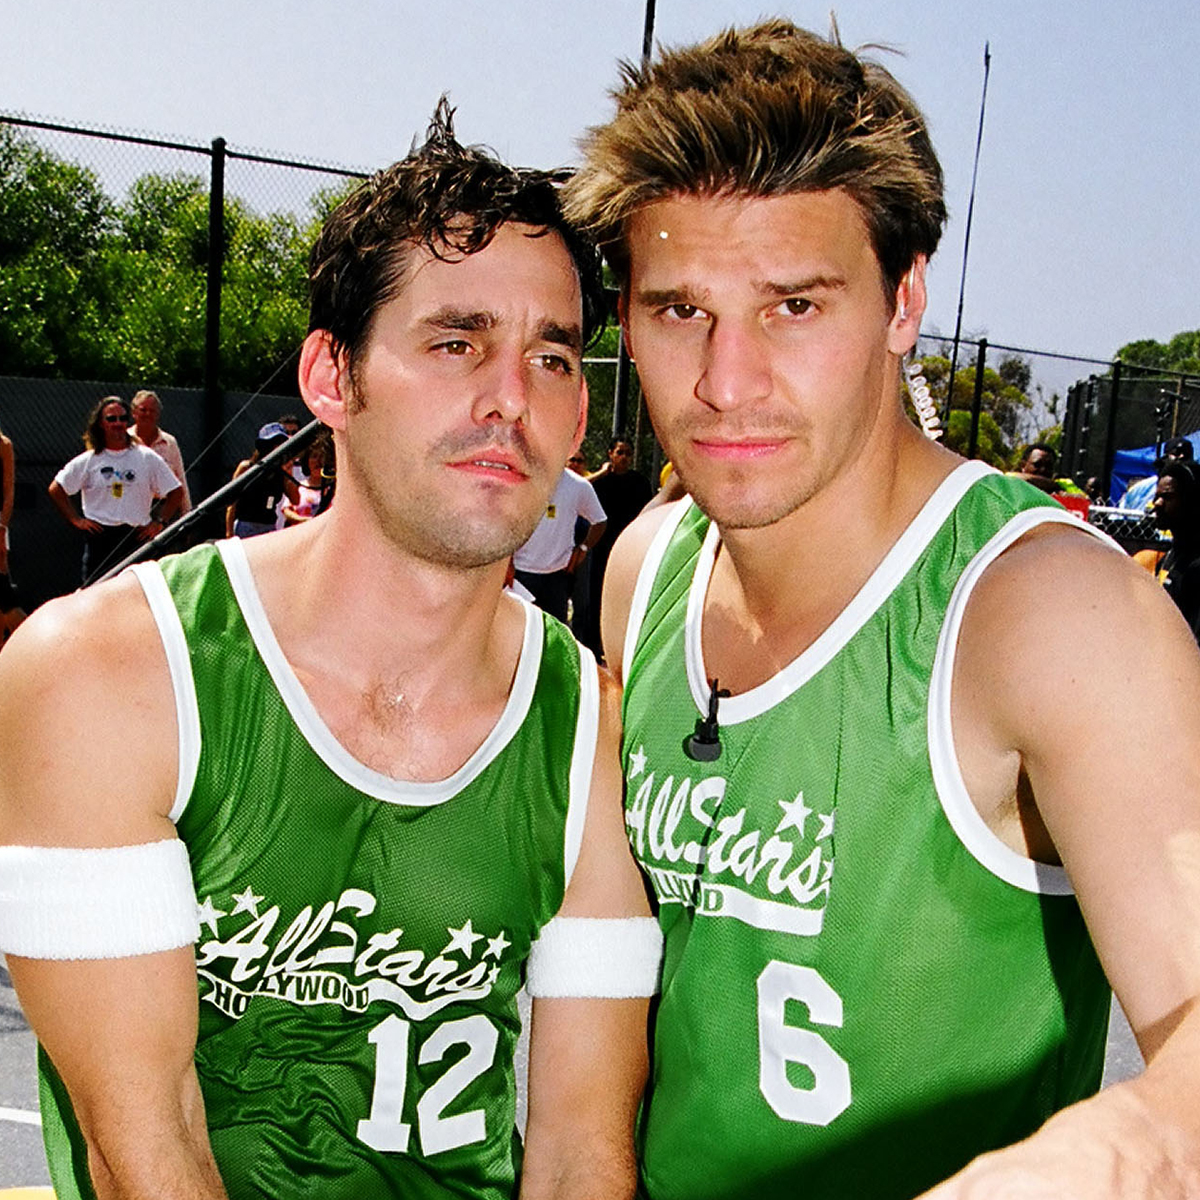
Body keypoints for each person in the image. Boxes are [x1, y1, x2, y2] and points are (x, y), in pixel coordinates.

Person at [565, 19, 1200, 1199]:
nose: (726, 382)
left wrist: (1113, 1152)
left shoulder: (1049, 612)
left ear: (903, 301)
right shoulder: (643, 570)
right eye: (681, 310)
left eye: (794, 307)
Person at [0, 103, 656, 1200]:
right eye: (456, 342)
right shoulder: (102, 674)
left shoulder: (592, 726)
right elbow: (142, 1154)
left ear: (581, 407)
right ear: (329, 377)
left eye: (551, 356)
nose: (511, 397)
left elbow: (581, 1152)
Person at [48, 395, 184, 584]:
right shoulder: (90, 460)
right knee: (95, 593)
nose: (118, 423)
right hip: (100, 540)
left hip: (136, 537)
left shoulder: (146, 457)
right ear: (101, 423)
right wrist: (76, 520)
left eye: (122, 418)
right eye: (111, 419)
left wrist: (160, 522)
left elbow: (176, 491)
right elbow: (56, 489)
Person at [579, 438, 652, 655]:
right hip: (600, 547)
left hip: (629, 548)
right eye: (620, 452)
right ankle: (592, 647)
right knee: (595, 597)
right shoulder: (599, 483)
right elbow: (577, 489)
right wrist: (601, 473)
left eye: (628, 453)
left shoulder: (640, 483)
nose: (624, 458)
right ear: (610, 453)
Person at [512, 462, 607, 622]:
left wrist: (583, 548)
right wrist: (506, 562)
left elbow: (600, 521)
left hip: (557, 577)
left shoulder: (578, 486)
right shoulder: (521, 479)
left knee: (555, 630)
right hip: (520, 573)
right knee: (521, 628)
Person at [1150, 459, 1200, 640]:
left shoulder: (1196, 565)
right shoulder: (1168, 558)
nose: (1157, 503)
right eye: (1157, 496)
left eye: (1167, 497)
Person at [225, 422, 301, 538]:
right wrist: (229, 532)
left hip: (269, 527)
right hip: (246, 526)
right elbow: (232, 502)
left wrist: (288, 474)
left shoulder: (281, 472)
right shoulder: (247, 468)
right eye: (273, 443)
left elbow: (296, 500)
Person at [130, 389, 192, 513]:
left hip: (164, 508)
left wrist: (186, 513)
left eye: (152, 411)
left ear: (158, 414)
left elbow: (180, 479)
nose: (147, 414)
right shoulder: (125, 440)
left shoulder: (169, 442)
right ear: (134, 412)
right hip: (131, 507)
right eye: (143, 410)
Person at [1119, 436, 1195, 512]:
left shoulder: (1193, 490)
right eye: (1176, 453)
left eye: (1187, 455)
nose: (1181, 456)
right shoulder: (1141, 489)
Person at [0, 422, 24, 646]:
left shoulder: (3, 445)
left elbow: (8, 491)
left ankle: (29, 646)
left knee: (4, 595)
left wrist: (1, 527)